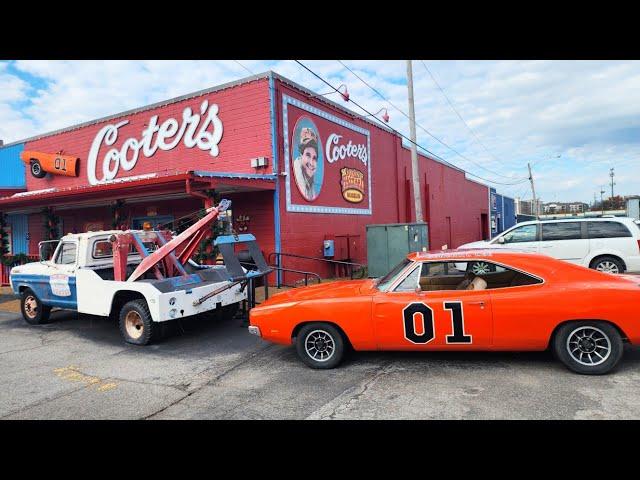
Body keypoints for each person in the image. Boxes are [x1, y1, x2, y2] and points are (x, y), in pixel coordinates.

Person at [293, 127, 319, 201]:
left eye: (314, 158)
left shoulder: (310, 181)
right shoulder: (296, 173)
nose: (311, 162)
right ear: (301, 155)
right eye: (308, 155)